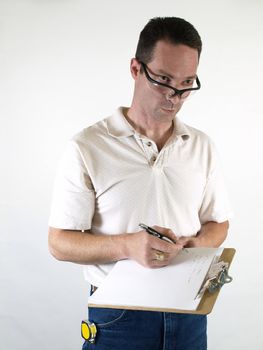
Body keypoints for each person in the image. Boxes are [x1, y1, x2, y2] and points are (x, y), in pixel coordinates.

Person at [48, 17, 232, 350]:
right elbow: (59, 242)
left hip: (190, 314)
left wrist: (194, 246)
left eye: (187, 83)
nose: (175, 96)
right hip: (119, 319)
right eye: (163, 80)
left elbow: (218, 223)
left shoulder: (202, 145)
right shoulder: (87, 146)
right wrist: (128, 245)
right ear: (136, 69)